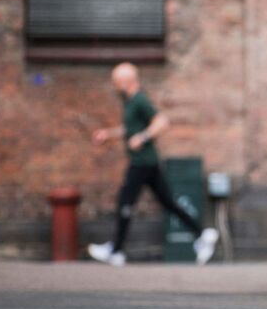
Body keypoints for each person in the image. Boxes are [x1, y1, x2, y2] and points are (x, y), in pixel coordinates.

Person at [87, 63, 218, 266]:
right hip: (147, 162)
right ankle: (202, 233)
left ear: (126, 81)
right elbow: (130, 129)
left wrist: (143, 137)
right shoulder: (130, 102)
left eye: (116, 82)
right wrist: (109, 134)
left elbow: (161, 121)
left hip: (142, 162)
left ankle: (117, 250)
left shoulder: (139, 100)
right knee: (167, 202)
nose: (114, 86)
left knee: (125, 202)